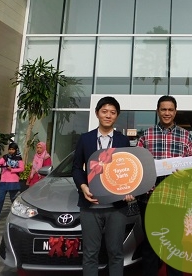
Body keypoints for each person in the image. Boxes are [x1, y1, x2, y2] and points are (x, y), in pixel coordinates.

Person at [72, 96, 134, 276]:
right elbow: (76, 168)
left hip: (116, 206)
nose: (108, 115)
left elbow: (128, 170)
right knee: (90, 253)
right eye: (104, 111)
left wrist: (129, 191)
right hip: (91, 205)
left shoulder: (123, 141)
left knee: (116, 253)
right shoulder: (85, 139)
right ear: (97, 113)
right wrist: (83, 186)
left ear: (117, 116)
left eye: (112, 112)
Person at [137, 95, 192, 276]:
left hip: (176, 200)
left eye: (170, 110)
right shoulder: (146, 135)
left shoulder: (186, 137)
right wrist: (147, 185)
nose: (167, 113)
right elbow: (138, 168)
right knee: (150, 247)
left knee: (175, 247)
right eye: (163, 109)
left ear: (175, 112)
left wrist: (185, 175)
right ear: (157, 111)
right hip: (150, 200)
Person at [0, 142, 24, 224]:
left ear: (16, 150)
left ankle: (20, 215)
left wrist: (12, 170)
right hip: (3, 181)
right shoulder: (5, 157)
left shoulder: (19, 159)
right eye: (10, 149)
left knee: (14, 200)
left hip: (13, 182)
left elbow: (21, 169)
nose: (11, 151)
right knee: (0, 199)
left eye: (13, 149)